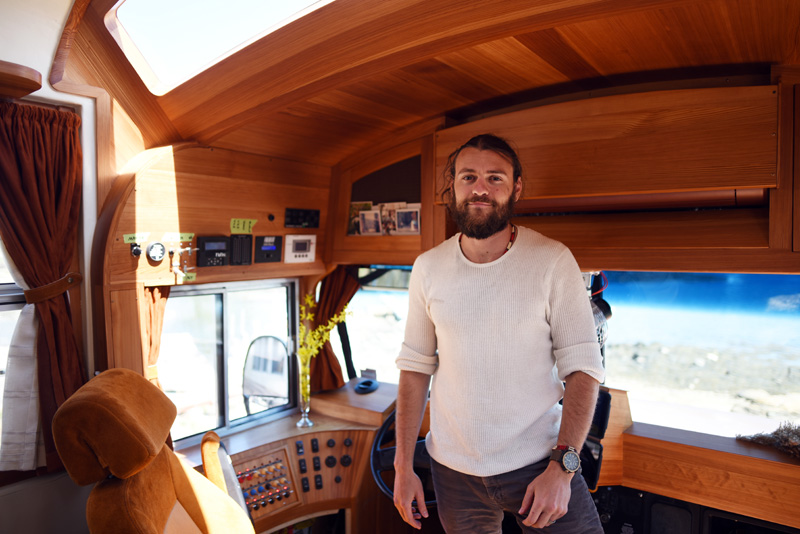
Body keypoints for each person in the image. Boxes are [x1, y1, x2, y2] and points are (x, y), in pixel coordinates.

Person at [393, 134, 605, 532]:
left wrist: (562, 469)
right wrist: (404, 467)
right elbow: (415, 369)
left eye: (495, 178)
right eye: (468, 176)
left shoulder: (552, 261)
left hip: (541, 464)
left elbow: (584, 369)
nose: (480, 189)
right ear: (452, 186)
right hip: (453, 474)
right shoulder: (427, 268)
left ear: (516, 188)